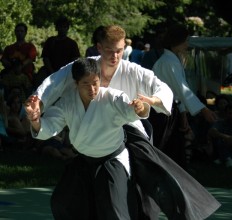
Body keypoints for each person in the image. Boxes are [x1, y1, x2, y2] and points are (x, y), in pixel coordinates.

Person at [28, 24, 220, 219]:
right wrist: (39, 104)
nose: (115, 56)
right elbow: (54, 83)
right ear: (99, 47)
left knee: (147, 181)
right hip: (93, 139)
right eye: (109, 51)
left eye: (119, 51)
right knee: (70, 203)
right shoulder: (86, 69)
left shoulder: (133, 71)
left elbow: (161, 88)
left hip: (129, 127)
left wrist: (150, 102)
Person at [25, 57, 150, 219]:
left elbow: (130, 111)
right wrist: (35, 120)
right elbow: (49, 127)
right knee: (62, 203)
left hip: (113, 161)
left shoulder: (112, 97)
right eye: (86, 84)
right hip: (84, 161)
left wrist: (139, 108)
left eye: (95, 82)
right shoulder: (68, 102)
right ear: (75, 84)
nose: (92, 88)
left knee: (116, 212)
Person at [152, 24, 217, 167]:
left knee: (175, 154)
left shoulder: (171, 61)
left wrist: (183, 115)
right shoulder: (167, 62)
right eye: (185, 41)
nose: (187, 44)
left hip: (170, 112)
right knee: (167, 154)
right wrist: (204, 109)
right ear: (177, 42)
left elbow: (177, 93)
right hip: (163, 115)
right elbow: (182, 89)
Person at [208, 102, 232, 167]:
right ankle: (227, 159)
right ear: (225, 114)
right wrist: (225, 137)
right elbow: (212, 131)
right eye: (229, 113)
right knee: (220, 140)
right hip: (224, 145)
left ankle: (224, 159)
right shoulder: (220, 122)